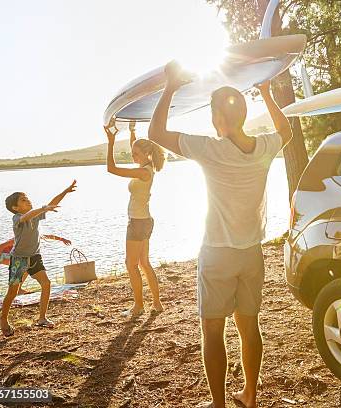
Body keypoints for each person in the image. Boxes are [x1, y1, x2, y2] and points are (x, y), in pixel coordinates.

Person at [148, 61, 293, 408]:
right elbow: (286, 131)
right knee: (249, 326)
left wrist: (170, 87)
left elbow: (155, 133)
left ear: (218, 119)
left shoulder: (210, 149)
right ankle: (250, 396)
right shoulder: (264, 147)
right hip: (251, 254)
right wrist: (269, 95)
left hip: (217, 254)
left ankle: (219, 405)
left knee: (213, 331)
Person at [104, 120, 166, 317]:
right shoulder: (147, 167)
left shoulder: (142, 172)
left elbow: (111, 169)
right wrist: (132, 131)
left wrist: (111, 141)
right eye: (133, 153)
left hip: (138, 223)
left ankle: (139, 306)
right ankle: (157, 303)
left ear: (145, 154)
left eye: (135, 154)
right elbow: (136, 146)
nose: (133, 156)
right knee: (144, 263)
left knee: (131, 264)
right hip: (144, 221)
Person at [0, 181, 77, 337]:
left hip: (35, 257)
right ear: (15, 208)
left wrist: (65, 191)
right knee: (13, 292)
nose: (27, 200)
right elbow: (27, 216)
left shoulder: (35, 216)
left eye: (27, 198)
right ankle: (3, 320)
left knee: (46, 284)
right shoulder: (17, 218)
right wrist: (42, 208)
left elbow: (52, 204)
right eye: (23, 200)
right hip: (19, 260)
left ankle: (42, 318)